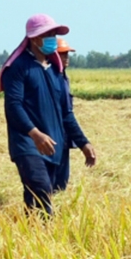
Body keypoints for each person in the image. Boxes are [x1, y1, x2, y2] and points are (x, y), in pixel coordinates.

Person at [0, 15, 95, 216]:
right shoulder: (18, 68)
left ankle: (31, 237)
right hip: (28, 143)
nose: (53, 38)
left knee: (41, 195)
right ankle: (48, 236)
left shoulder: (55, 72)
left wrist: (83, 143)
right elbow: (13, 106)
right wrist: (35, 134)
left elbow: (66, 113)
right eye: (48, 34)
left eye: (54, 34)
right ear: (34, 39)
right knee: (40, 188)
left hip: (54, 145)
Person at [54, 38, 77, 191]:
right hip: (53, 135)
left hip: (64, 135)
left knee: (62, 180)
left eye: (67, 54)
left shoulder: (63, 77)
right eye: (62, 54)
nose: (66, 57)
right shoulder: (53, 78)